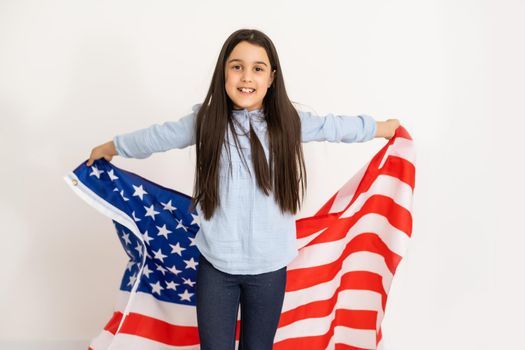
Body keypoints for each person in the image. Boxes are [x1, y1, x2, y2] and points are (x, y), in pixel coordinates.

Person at [86, 28, 400, 350]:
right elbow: (158, 137)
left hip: (269, 270)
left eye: (257, 68)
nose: (246, 77)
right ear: (224, 71)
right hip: (216, 269)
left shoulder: (289, 123)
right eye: (237, 66)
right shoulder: (207, 121)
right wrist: (113, 146)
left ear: (272, 77)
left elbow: (335, 127)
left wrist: (383, 128)